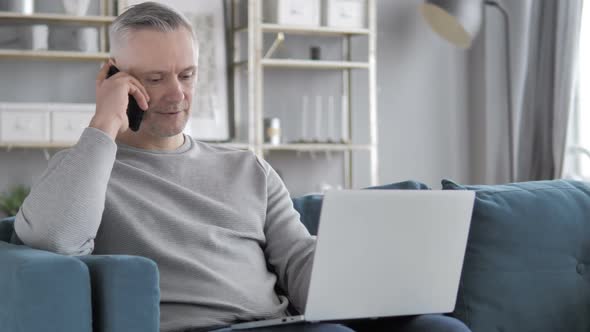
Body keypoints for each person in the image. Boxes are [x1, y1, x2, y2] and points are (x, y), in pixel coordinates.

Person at [13, 2, 469, 332]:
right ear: (114, 77)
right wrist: (104, 122)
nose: (176, 94)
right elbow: (53, 242)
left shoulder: (247, 167)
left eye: (187, 74)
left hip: (282, 324)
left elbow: (299, 266)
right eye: (154, 79)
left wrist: (372, 266)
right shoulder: (87, 170)